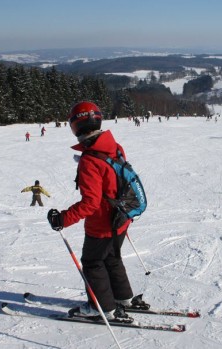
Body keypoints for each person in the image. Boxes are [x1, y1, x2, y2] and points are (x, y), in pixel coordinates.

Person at [47, 101, 143, 322]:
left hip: (101, 225)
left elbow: (90, 203)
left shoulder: (90, 161)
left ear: (75, 126)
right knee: (112, 258)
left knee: (93, 263)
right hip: (121, 217)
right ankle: (122, 298)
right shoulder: (115, 146)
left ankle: (102, 308)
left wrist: (62, 218)